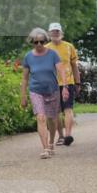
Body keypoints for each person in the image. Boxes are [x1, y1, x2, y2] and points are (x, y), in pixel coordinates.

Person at [20, 28, 69, 159]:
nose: (39, 44)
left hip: (52, 90)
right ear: (32, 43)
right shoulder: (28, 57)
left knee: (52, 119)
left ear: (45, 41)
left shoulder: (53, 54)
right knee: (41, 117)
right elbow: (24, 78)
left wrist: (65, 87)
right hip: (35, 90)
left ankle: (51, 142)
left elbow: (61, 70)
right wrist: (23, 96)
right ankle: (45, 148)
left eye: (42, 41)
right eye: (36, 42)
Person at [46, 22, 80, 146]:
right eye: (53, 32)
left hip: (68, 82)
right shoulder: (46, 49)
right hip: (52, 84)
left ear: (61, 33)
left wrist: (78, 82)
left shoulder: (69, 47)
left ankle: (68, 135)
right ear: (49, 34)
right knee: (56, 112)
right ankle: (60, 136)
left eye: (57, 31)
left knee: (68, 109)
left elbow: (74, 66)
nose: (55, 34)